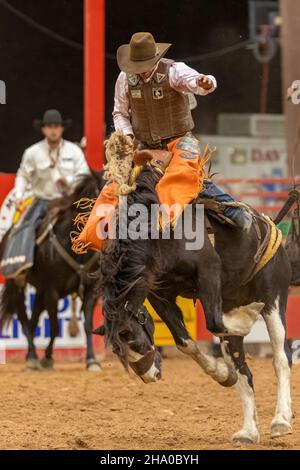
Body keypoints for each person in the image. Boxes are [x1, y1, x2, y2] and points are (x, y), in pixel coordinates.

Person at [113, 32, 252, 229]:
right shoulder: (124, 79)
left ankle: (233, 209)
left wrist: (206, 83)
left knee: (186, 176)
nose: (141, 71)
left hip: (179, 141)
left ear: (155, 59)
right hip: (145, 147)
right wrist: (127, 135)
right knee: (118, 185)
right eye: (137, 67)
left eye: (144, 66)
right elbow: (119, 113)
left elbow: (198, 81)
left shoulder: (173, 70)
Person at [1, 109, 90, 279]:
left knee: (89, 225)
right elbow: (23, 175)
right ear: (43, 129)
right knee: (25, 226)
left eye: (56, 126)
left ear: (62, 128)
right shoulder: (32, 153)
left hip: (68, 201)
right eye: (49, 126)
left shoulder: (74, 152)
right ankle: (20, 266)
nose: (53, 130)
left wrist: (70, 181)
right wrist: (19, 195)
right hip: (43, 200)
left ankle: (91, 270)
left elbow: (84, 175)